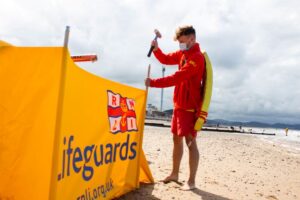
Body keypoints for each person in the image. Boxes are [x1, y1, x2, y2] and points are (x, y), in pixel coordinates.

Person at [145, 25, 205, 190]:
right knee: (176, 140)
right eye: (179, 42)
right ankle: (174, 173)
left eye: (182, 42)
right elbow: (165, 59)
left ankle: (191, 182)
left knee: (190, 142)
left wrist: (153, 83)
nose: (180, 45)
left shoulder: (197, 58)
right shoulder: (182, 54)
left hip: (190, 107)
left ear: (192, 39)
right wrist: (156, 50)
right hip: (178, 105)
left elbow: (177, 77)